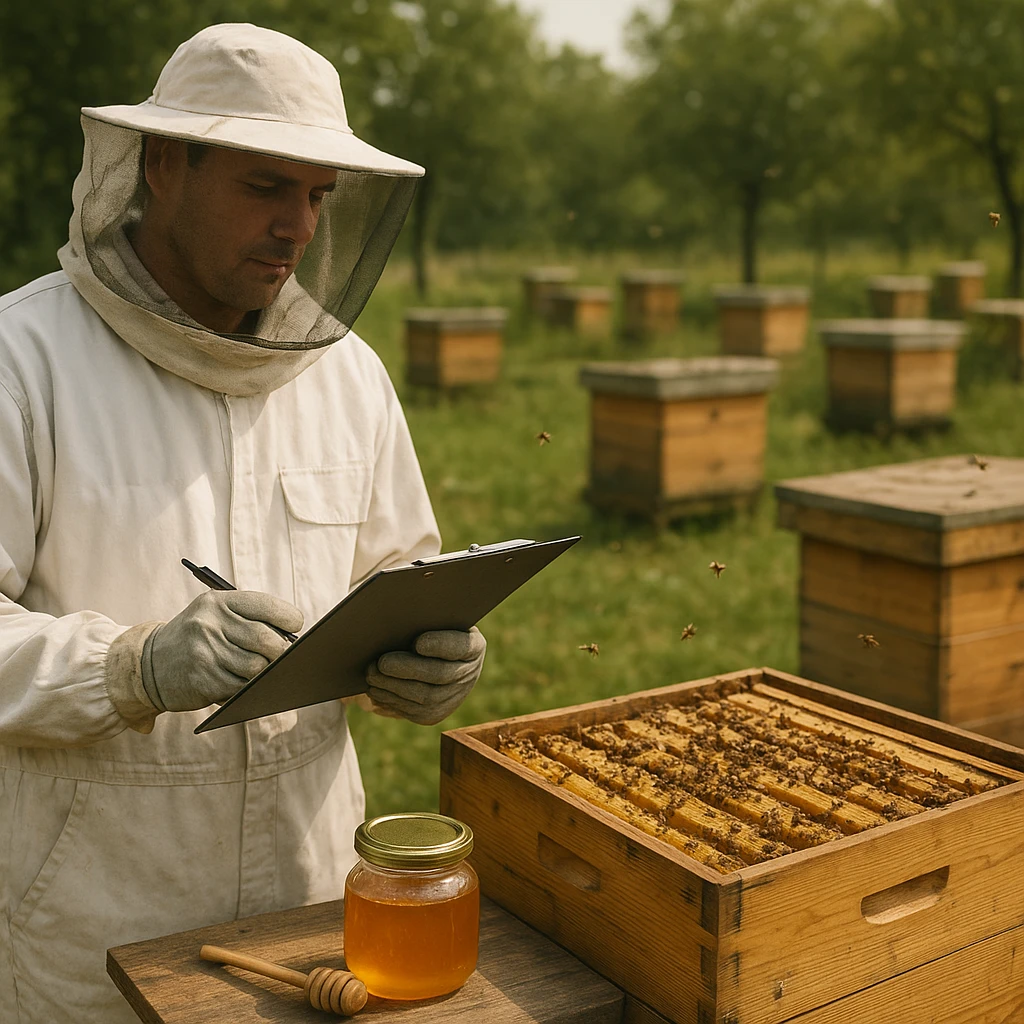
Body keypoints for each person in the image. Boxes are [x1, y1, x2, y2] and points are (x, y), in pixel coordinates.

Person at [0, 23, 486, 1024]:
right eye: (266, 186)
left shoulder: (348, 374)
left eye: (318, 196)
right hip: (92, 920)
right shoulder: (24, 360)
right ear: (162, 166)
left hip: (307, 906)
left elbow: (402, 573)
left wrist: (430, 657)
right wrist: (129, 668)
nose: (297, 227)